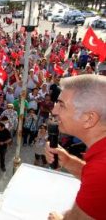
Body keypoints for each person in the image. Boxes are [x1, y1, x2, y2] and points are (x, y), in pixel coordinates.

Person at [45, 75, 106, 220]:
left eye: (62, 105)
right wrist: (67, 161)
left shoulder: (100, 170)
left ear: (89, 118)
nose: (54, 111)